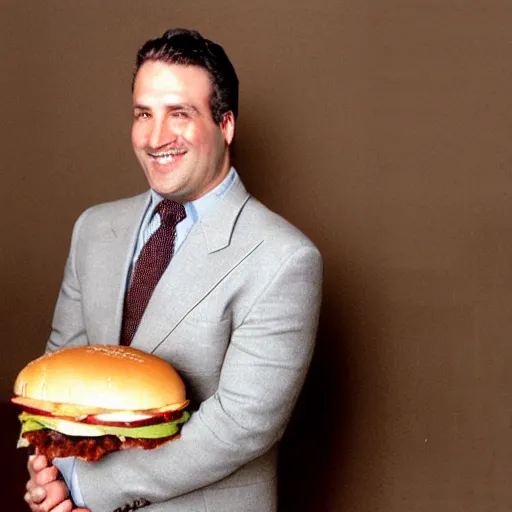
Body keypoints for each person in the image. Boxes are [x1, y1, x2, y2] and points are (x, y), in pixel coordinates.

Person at [24, 28, 323, 512]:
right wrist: (48, 471)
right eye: (144, 113)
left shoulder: (284, 258)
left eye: (179, 114)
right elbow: (58, 377)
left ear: (225, 125)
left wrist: (85, 487)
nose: (155, 136)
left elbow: (241, 424)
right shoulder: (94, 229)